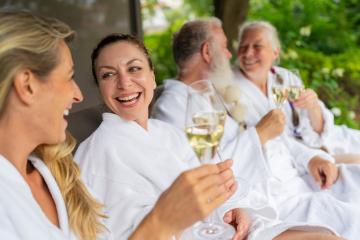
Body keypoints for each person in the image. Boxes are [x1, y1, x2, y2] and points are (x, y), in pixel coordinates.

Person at [151, 18, 360, 239]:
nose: (231, 55)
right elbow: (202, 172)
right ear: (207, 51)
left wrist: (309, 157)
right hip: (272, 197)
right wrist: (258, 135)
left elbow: (276, 137)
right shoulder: (173, 107)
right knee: (352, 218)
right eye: (224, 47)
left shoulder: (211, 93)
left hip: (297, 177)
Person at [75, 33, 253, 240]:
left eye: (134, 69)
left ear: (152, 77)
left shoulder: (168, 132)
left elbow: (206, 190)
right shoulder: (96, 153)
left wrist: (227, 211)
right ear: (100, 89)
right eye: (108, 75)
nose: (124, 83)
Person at [0, 11, 105, 240]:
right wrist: (159, 224)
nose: (78, 95)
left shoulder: (55, 172)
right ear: (27, 85)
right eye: (69, 76)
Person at [234, 20, 360, 164]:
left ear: (275, 52)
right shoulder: (230, 89)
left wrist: (313, 107)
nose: (248, 53)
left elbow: (318, 131)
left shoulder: (286, 78)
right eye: (243, 46)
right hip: (283, 161)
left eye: (257, 46)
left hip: (312, 147)